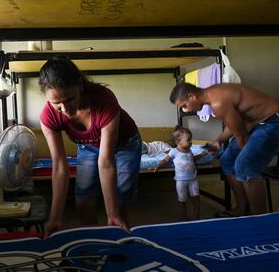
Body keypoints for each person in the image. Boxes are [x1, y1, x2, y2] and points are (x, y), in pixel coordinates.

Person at [38, 56, 141, 236]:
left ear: (80, 85)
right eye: (57, 104)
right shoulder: (48, 117)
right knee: (83, 202)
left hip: (125, 146)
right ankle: (94, 243)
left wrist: (112, 213)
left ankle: (121, 238)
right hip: (88, 147)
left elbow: (106, 161)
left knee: (120, 201)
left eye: (70, 99)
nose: (66, 109)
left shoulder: (105, 102)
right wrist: (54, 217)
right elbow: (60, 166)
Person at [169, 82, 279, 216]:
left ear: (192, 96)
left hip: (273, 122)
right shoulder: (213, 93)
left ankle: (259, 218)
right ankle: (242, 208)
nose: (185, 110)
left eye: (184, 105)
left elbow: (242, 137)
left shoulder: (218, 102)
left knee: (245, 165)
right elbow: (234, 124)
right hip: (256, 123)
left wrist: (246, 156)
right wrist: (219, 140)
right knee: (227, 160)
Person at [149, 126, 208, 220]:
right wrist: (157, 166)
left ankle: (196, 214)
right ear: (178, 142)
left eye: (190, 140)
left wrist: (203, 154)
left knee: (196, 197)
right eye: (188, 140)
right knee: (182, 200)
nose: (191, 142)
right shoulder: (174, 151)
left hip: (193, 179)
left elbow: (193, 159)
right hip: (181, 181)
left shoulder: (190, 150)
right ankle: (183, 215)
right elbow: (165, 160)